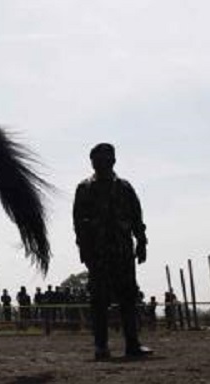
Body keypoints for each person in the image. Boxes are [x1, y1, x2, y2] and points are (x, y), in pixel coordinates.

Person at [73, 143, 152, 360]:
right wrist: (84, 249)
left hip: (123, 251)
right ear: (92, 163)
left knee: (128, 298)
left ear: (113, 161)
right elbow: (79, 223)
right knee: (99, 300)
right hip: (98, 253)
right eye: (98, 160)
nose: (102, 163)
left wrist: (142, 242)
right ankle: (101, 346)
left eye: (107, 159)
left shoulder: (125, 188)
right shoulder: (85, 188)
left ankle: (132, 344)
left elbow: (137, 217)